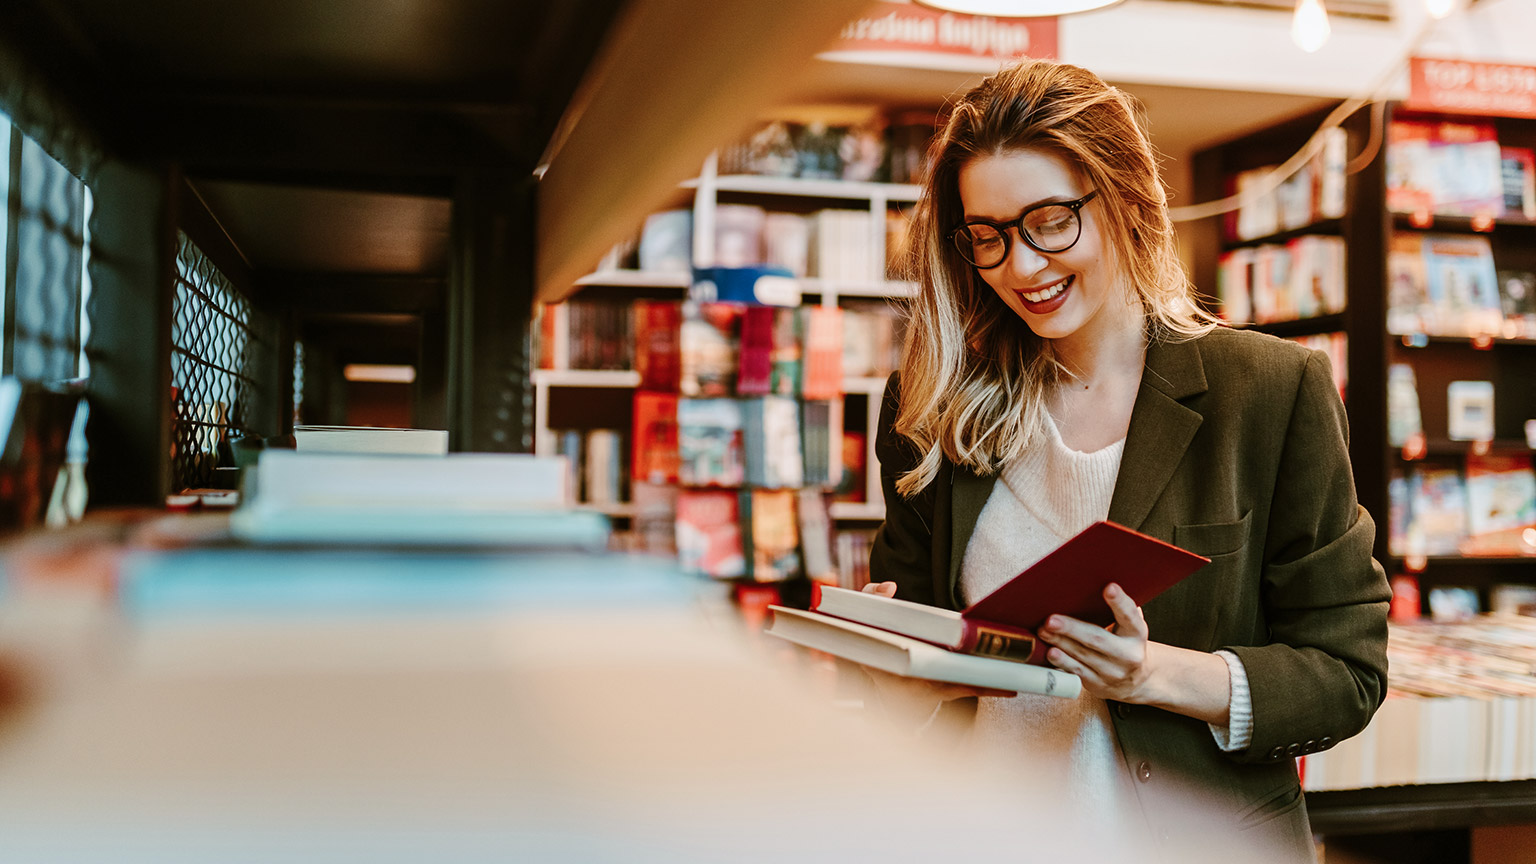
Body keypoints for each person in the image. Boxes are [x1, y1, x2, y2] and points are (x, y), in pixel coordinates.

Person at [862, 58, 1390, 859]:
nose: (1022, 267)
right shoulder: (931, 408)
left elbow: (1345, 672)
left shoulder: (1271, 391)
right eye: (988, 238)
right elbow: (922, 683)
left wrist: (1153, 675)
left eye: (1049, 221)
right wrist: (892, 666)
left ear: (1126, 199)